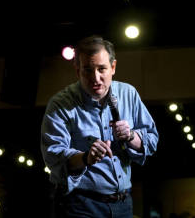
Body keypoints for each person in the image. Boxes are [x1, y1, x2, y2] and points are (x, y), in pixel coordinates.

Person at [41, 35, 159, 217]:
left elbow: (152, 140)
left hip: (123, 203)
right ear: (77, 70)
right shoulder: (60, 104)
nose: (95, 78)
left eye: (101, 69)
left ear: (113, 67)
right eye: (87, 70)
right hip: (80, 205)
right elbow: (52, 155)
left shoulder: (128, 93)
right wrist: (86, 158)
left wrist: (131, 136)